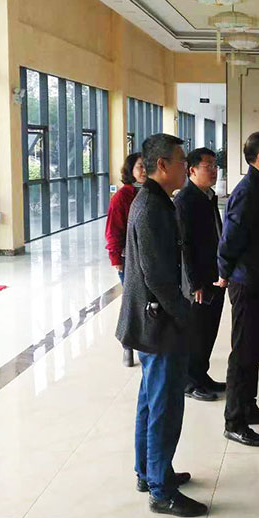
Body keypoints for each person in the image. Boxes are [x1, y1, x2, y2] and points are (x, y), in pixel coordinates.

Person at [115, 134, 207, 517]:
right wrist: (183, 313)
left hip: (153, 318)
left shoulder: (155, 200)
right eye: (182, 161)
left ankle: (149, 471)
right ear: (162, 165)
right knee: (164, 407)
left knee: (151, 401)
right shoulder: (151, 206)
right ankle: (161, 491)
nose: (187, 166)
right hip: (160, 322)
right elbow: (156, 275)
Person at [215, 130, 259, 447]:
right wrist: (224, 271)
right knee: (243, 352)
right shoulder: (248, 191)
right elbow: (230, 237)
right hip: (247, 283)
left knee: (255, 348)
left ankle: (249, 406)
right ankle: (234, 421)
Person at [174, 148, 226, 402]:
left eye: (215, 166)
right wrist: (193, 283)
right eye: (208, 166)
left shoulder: (208, 196)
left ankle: (201, 375)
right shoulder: (185, 201)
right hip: (198, 282)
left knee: (208, 331)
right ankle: (189, 382)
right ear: (192, 170)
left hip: (213, 275)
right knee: (196, 333)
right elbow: (183, 246)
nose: (214, 170)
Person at [105, 152, 147, 367]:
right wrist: (116, 259)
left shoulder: (152, 192)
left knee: (145, 302)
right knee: (132, 302)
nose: (144, 170)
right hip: (128, 259)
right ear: (130, 170)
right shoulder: (123, 196)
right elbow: (113, 230)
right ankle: (127, 344)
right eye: (140, 166)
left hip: (148, 258)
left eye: (147, 166)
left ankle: (143, 342)